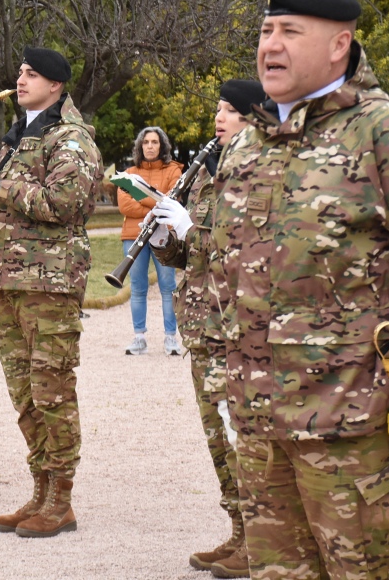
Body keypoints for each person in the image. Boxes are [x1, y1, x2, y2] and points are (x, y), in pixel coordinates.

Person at [204, 0, 389, 577]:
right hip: (260, 426)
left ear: (340, 45)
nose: (271, 46)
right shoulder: (247, 145)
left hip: (351, 430)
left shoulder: (378, 131)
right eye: (266, 32)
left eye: (291, 32)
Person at [0, 45, 103, 537]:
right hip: (12, 282)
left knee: (52, 391)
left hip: (50, 285)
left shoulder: (72, 138)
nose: (20, 79)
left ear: (56, 85)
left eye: (32, 74)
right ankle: (39, 490)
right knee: (25, 396)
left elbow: (64, 203)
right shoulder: (20, 135)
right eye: (19, 71)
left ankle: (61, 498)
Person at [151, 80, 265, 576]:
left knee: (241, 437)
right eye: (217, 109)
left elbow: (241, 249)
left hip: (235, 329)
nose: (219, 118)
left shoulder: (256, 174)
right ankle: (238, 532)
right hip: (201, 326)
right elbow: (186, 255)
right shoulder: (205, 174)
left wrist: (190, 229)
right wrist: (163, 236)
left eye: (230, 111)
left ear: (253, 119)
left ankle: (260, 540)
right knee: (218, 440)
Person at [117, 126, 183, 356]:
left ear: (162, 145)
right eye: (146, 142)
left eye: (155, 142)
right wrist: (156, 201)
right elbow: (125, 206)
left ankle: (171, 338)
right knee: (137, 287)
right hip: (133, 235)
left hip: (164, 235)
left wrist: (142, 198)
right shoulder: (128, 173)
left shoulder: (174, 170)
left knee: (168, 287)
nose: (150, 146)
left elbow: (172, 200)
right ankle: (139, 338)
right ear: (140, 146)